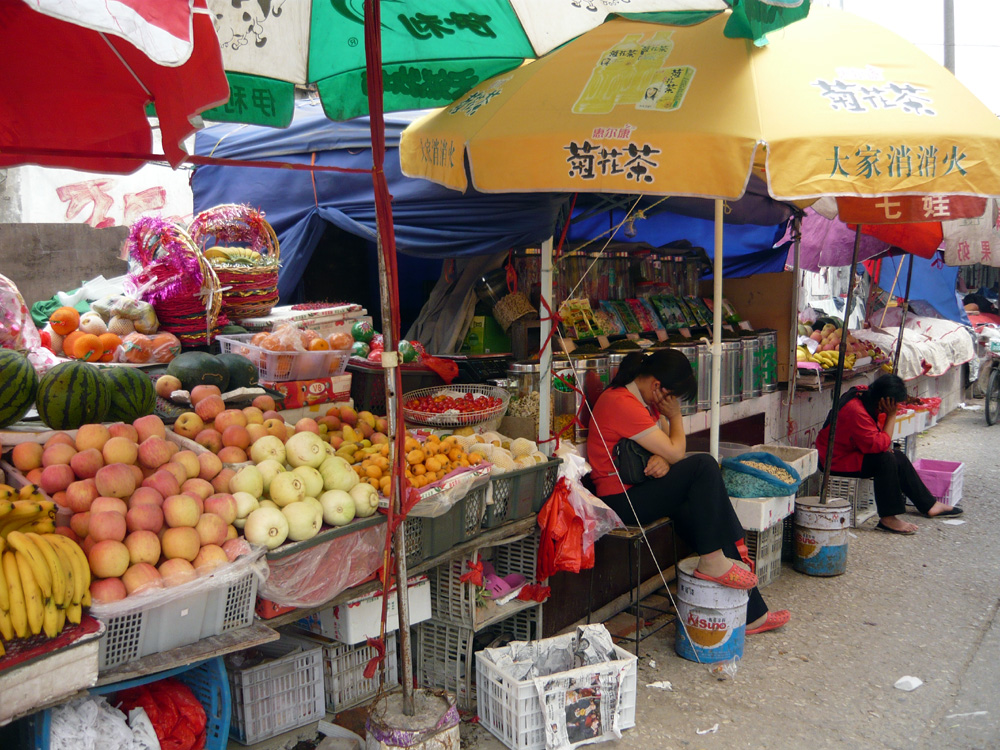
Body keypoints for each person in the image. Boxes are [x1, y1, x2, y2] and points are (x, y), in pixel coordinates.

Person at [586, 349, 789, 635]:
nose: (673, 404)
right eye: (674, 397)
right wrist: (675, 419)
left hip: (642, 489)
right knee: (704, 465)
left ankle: (752, 612)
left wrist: (667, 457)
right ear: (658, 386)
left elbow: (669, 452)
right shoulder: (621, 402)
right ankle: (715, 560)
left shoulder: (641, 401)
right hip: (621, 501)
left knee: (704, 515)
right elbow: (677, 449)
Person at [815, 374, 962, 535]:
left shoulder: (867, 394)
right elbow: (880, 445)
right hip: (835, 460)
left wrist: (905, 401)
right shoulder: (856, 411)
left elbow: (876, 436)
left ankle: (929, 504)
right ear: (885, 401)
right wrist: (892, 415)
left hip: (851, 450)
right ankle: (888, 518)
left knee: (897, 456)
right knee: (885, 460)